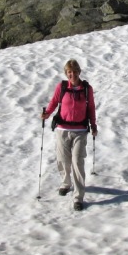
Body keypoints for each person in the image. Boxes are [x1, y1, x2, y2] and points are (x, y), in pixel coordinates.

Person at [41, 59, 98, 211]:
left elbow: (91, 108)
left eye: (74, 71)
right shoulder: (62, 87)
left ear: (79, 72)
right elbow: (54, 102)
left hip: (80, 130)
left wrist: (93, 125)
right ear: (66, 73)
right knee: (63, 159)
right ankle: (66, 183)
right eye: (69, 72)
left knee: (77, 162)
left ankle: (78, 197)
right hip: (62, 129)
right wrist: (47, 114)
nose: (72, 74)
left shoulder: (87, 89)